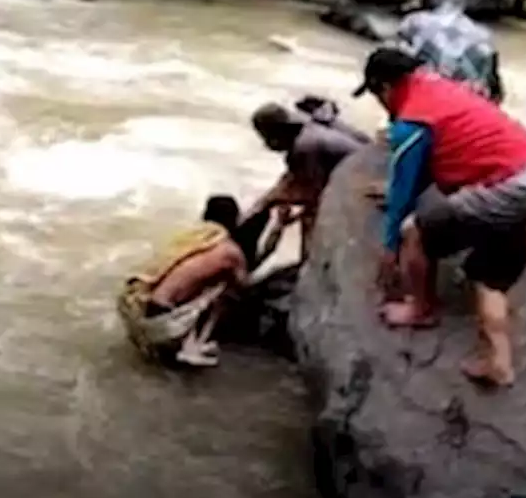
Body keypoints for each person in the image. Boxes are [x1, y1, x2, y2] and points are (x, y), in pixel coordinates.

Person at [354, 48, 526, 386]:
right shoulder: (439, 87)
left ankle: (420, 309)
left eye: (378, 94)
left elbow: (405, 193)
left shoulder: (413, 121)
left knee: (414, 231)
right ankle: (499, 362)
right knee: (487, 276)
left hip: (510, 187)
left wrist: (390, 247)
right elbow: (446, 156)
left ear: (386, 87)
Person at [117, 196, 254, 368]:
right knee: (226, 290)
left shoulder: (193, 239)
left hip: (139, 311)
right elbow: (245, 286)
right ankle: (192, 346)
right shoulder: (230, 252)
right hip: (165, 321)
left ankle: (181, 343)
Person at [248, 102, 368, 260]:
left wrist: (286, 214)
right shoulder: (307, 127)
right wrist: (267, 200)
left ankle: (310, 261)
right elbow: (294, 176)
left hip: (367, 179)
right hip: (365, 163)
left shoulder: (306, 146)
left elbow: (315, 195)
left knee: (312, 218)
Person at [393, 0, 504, 103]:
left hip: (428, 101)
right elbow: (495, 91)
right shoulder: (483, 34)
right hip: (471, 106)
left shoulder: (413, 22)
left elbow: (394, 68)